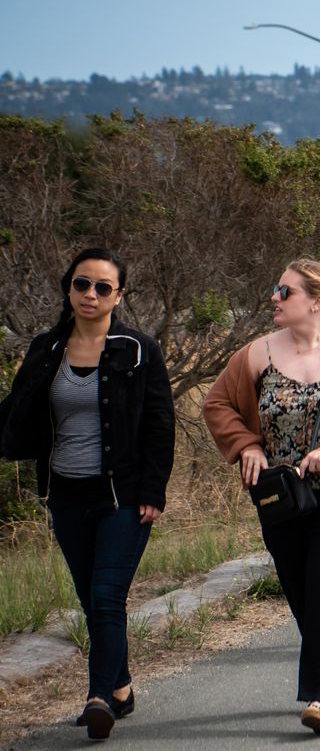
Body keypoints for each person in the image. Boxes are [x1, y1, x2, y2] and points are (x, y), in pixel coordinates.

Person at [204, 259, 320, 735]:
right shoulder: (256, 354)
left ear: (317, 300)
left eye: (283, 291)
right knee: (299, 587)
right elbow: (216, 404)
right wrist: (246, 445)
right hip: (282, 493)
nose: (274, 297)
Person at [0, 248, 174, 741]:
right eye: (82, 284)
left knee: (104, 596)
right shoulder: (46, 349)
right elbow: (17, 410)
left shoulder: (138, 350)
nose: (90, 295)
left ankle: (98, 698)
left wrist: (153, 491)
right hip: (66, 495)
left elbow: (160, 426)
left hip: (122, 497)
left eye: (102, 287)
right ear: (68, 288)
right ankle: (119, 686)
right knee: (91, 598)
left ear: (120, 295)